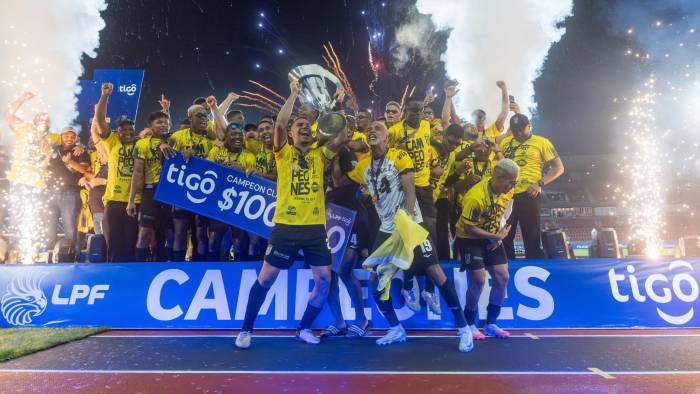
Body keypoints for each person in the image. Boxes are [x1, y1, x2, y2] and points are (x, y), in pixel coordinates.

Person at [235, 79, 347, 349]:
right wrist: (294, 93)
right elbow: (280, 124)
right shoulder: (283, 152)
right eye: (300, 126)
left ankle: (304, 328)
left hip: (315, 229)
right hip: (286, 227)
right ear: (292, 134)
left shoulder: (321, 154)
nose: (305, 128)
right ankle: (246, 330)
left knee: (324, 281)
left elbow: (342, 135)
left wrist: (338, 107)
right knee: (266, 278)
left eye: (308, 126)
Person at [346, 121, 473, 352]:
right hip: (386, 229)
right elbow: (343, 157)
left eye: (379, 128)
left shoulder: (400, 155)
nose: (373, 131)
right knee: (375, 281)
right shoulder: (362, 166)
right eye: (370, 129)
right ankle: (396, 328)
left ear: (387, 138)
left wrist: (405, 222)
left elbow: (410, 190)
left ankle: (464, 328)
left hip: (409, 223)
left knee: (435, 272)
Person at [455, 159, 520, 339]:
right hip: (469, 238)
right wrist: (494, 237)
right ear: (498, 177)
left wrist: (499, 232)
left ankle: (491, 323)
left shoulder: (508, 191)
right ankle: (469, 324)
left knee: (502, 276)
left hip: (492, 236)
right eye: (511, 182)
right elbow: (468, 228)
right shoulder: (475, 197)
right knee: (478, 279)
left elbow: (506, 211)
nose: (513, 186)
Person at [388, 96, 439, 313]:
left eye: (420, 110)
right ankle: (408, 285)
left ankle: (428, 289)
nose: (416, 114)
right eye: (412, 110)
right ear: (404, 111)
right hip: (406, 190)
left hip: (426, 189)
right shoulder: (395, 132)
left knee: (430, 239)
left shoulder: (427, 126)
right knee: (410, 240)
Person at [321, 119, 371, 338]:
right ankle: (338, 321)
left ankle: (362, 319)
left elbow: (343, 183)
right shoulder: (321, 154)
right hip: (329, 215)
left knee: (343, 270)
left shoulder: (347, 154)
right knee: (329, 273)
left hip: (351, 216)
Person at [500, 114, 565, 259]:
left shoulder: (542, 142)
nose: (517, 134)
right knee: (504, 238)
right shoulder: (505, 143)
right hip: (506, 197)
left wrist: (539, 184)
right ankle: (507, 271)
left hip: (529, 195)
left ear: (529, 126)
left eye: (521, 130)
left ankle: (534, 268)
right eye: (514, 130)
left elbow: (559, 168)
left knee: (532, 238)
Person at [91, 82, 138, 262]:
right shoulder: (112, 143)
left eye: (129, 128)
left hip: (135, 202)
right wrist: (104, 96)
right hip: (113, 202)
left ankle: (132, 282)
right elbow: (101, 121)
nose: (127, 131)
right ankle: (114, 282)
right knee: (114, 246)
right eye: (122, 128)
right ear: (117, 131)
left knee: (132, 245)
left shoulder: (140, 143)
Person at [206, 96, 256, 261]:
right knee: (214, 241)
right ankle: (212, 268)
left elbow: (253, 182)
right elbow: (204, 173)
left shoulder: (249, 157)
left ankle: (237, 271)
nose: (237, 136)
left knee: (238, 241)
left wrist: (242, 171)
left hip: (239, 206)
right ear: (225, 137)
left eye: (239, 134)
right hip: (218, 204)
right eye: (232, 133)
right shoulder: (215, 152)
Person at [167, 103, 217, 261]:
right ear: (190, 118)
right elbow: (167, 160)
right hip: (181, 192)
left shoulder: (213, 140)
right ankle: (177, 266)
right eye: (199, 115)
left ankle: (200, 266)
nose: (204, 118)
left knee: (201, 233)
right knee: (180, 233)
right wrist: (180, 154)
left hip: (203, 193)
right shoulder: (177, 136)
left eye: (205, 116)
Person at [127, 111, 176, 261]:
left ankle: (164, 267)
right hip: (151, 191)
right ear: (151, 126)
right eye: (159, 122)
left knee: (169, 234)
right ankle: (140, 271)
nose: (164, 125)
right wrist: (131, 200)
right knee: (145, 233)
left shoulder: (175, 141)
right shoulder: (141, 144)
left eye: (165, 122)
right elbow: (137, 172)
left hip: (172, 192)